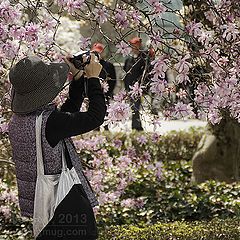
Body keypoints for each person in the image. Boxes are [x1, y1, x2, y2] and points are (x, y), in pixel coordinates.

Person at [8, 53, 106, 239]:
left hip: (44, 208)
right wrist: (93, 79)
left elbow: (64, 119)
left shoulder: (19, 121)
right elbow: (95, 117)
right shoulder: (50, 123)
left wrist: (77, 80)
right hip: (65, 205)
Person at [123, 37, 153, 131]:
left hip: (139, 88)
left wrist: (144, 87)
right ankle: (136, 126)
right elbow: (125, 74)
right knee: (134, 107)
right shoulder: (129, 59)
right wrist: (126, 88)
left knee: (136, 106)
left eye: (134, 45)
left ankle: (136, 126)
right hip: (130, 88)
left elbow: (148, 72)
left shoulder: (144, 58)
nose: (132, 47)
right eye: (131, 45)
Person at [91, 42, 117, 130]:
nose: (97, 55)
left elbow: (113, 80)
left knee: (106, 111)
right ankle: (95, 129)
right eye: (95, 53)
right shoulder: (90, 65)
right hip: (93, 93)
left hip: (105, 93)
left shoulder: (108, 65)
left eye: (98, 52)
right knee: (94, 113)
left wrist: (109, 91)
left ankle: (106, 128)